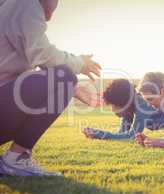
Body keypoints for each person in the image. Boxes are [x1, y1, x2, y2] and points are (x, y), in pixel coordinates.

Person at [0, 0, 101, 176]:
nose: (48, 19)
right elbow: (44, 55)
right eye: (48, 11)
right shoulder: (25, 3)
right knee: (65, 75)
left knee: (64, 78)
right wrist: (79, 63)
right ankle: (16, 158)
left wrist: (73, 88)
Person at [82, 79, 164, 140]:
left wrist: (100, 134)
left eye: (114, 105)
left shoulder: (142, 104)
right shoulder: (129, 109)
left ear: (124, 102)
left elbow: (132, 136)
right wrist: (96, 133)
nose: (112, 110)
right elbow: (121, 134)